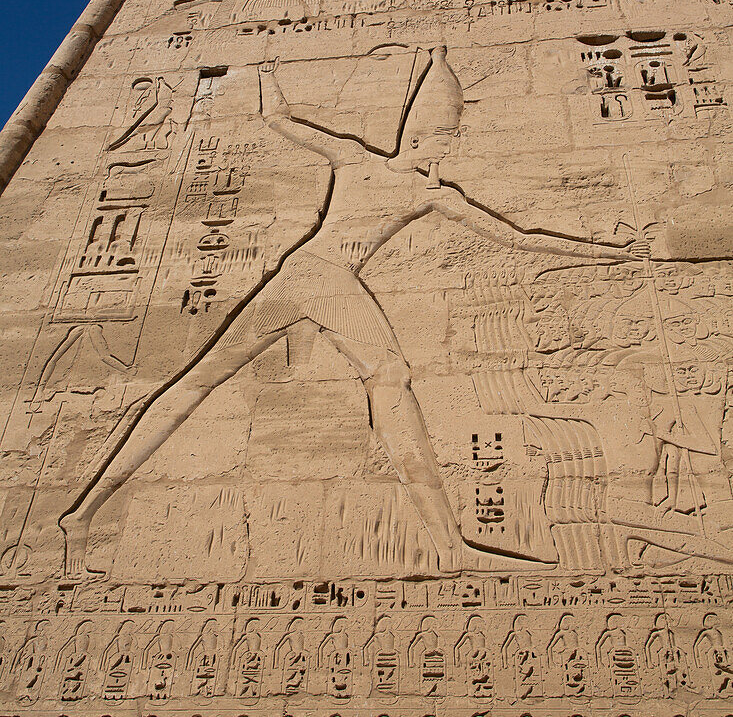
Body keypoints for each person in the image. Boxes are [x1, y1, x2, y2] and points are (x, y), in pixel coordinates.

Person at [60, 46, 646, 575]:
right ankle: (448, 548)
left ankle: (83, 514)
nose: (451, 148)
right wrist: (618, 251)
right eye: (446, 138)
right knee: (386, 380)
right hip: (327, 283)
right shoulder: (406, 182)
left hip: (299, 277)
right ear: (421, 138)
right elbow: (517, 238)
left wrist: (267, 71)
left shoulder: (379, 169)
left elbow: (516, 236)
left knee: (197, 385)